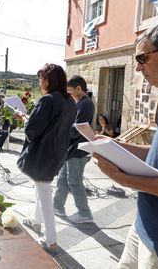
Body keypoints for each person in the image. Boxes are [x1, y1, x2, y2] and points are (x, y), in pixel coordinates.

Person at [94, 18, 158, 269]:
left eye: (142, 58)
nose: (138, 68)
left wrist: (126, 180)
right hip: (143, 228)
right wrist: (116, 147)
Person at [14, 63, 77, 253]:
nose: (40, 83)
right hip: (57, 153)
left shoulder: (48, 100)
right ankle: (36, 221)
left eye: (41, 79)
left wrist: (23, 117)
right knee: (42, 188)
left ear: (48, 80)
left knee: (44, 194)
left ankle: (51, 239)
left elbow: (32, 131)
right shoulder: (70, 101)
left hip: (42, 154)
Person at [53, 75, 95, 224]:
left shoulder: (86, 105)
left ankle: (84, 213)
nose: (69, 94)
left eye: (70, 92)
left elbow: (77, 130)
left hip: (79, 151)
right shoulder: (79, 103)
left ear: (79, 88)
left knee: (74, 181)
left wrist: (59, 131)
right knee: (63, 179)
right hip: (71, 149)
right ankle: (57, 207)